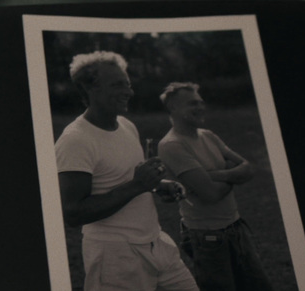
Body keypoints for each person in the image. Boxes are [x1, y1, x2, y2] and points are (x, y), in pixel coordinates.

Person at [55, 51, 198, 291]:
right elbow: (73, 213)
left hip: (157, 244)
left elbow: (127, 180)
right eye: (118, 85)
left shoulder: (126, 125)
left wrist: (159, 185)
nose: (129, 92)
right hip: (115, 258)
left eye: (128, 84)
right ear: (91, 89)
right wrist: (138, 185)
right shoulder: (75, 140)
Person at [158, 82, 275, 291]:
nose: (201, 107)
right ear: (173, 108)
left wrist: (213, 176)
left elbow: (248, 168)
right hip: (207, 237)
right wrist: (233, 177)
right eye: (193, 104)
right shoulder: (172, 145)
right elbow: (210, 194)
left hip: (236, 227)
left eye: (201, 103)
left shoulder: (208, 135)